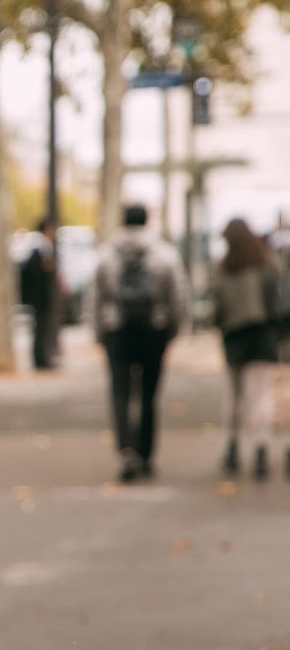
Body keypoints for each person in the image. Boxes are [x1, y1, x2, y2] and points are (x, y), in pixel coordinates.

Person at [88, 204, 188, 482]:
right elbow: (177, 294)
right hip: (153, 332)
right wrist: (173, 329)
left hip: (116, 331)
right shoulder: (164, 253)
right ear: (147, 221)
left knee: (120, 393)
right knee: (148, 395)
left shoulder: (107, 253)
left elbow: (94, 296)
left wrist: (98, 333)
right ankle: (146, 454)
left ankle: (126, 452)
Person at [211, 218, 283, 479]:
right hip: (262, 332)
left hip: (234, 334)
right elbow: (276, 297)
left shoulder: (223, 267)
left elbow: (216, 301)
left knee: (233, 393)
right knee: (261, 393)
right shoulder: (266, 262)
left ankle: (232, 446)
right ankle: (261, 447)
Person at [19, 218, 59, 371]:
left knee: (40, 329)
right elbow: (39, 273)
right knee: (40, 329)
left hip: (39, 297)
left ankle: (41, 358)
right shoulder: (41, 248)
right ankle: (40, 359)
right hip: (40, 297)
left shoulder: (40, 246)